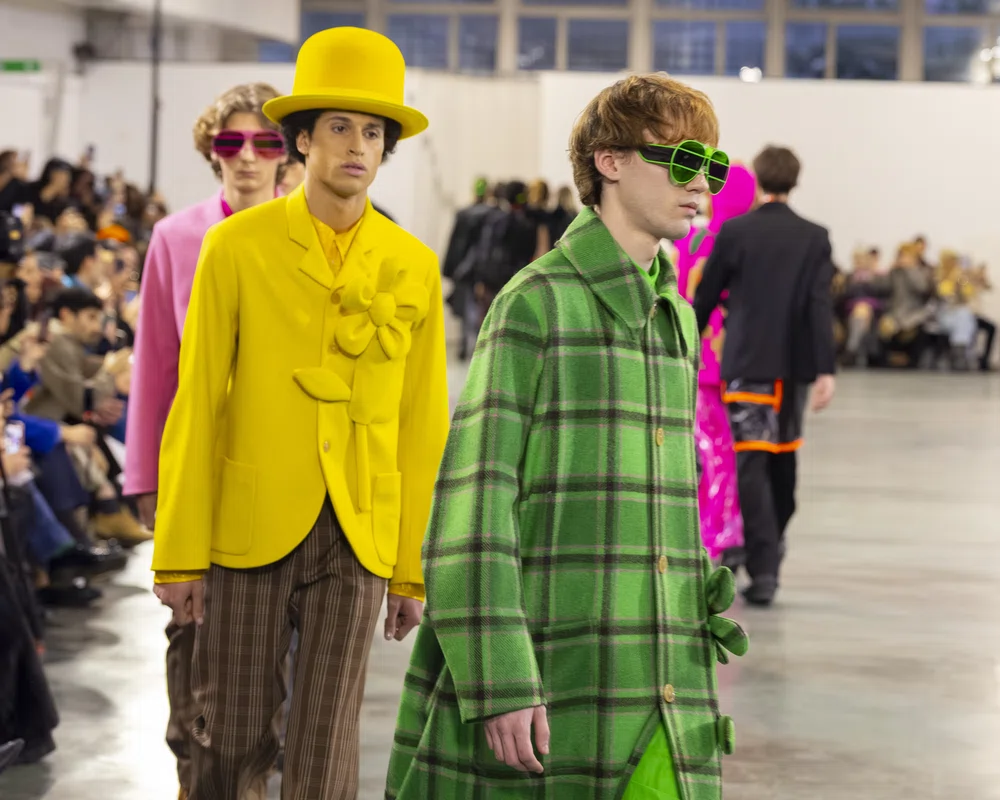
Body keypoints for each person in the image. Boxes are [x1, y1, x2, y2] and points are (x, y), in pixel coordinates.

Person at [387, 73, 747, 800]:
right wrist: (499, 677)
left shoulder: (676, 316)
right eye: (682, 161)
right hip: (554, 668)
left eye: (711, 166)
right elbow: (473, 507)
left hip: (662, 677)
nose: (700, 184)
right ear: (609, 161)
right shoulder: (536, 304)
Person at [150, 27, 449, 799]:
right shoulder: (236, 246)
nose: (357, 146)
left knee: (325, 748)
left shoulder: (413, 265)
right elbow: (197, 400)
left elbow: (421, 425)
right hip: (248, 523)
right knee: (229, 737)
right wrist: (178, 553)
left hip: (357, 532)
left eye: (373, 132)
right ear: (303, 140)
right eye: (339, 127)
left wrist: (410, 566)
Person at [121, 82, 286, 800]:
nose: (246, 156)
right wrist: (146, 479)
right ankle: (195, 778)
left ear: (288, 152)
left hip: (282, 474)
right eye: (230, 142)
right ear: (210, 150)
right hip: (200, 472)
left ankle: (251, 778)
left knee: (274, 651)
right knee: (191, 636)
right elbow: (157, 365)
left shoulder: (309, 236)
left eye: (265, 141)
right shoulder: (176, 237)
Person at [693, 145, 836, 606]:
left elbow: (707, 296)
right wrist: (825, 369)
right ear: (796, 180)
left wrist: (687, 344)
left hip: (747, 366)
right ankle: (768, 556)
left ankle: (764, 562)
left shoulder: (736, 232)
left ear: (758, 179)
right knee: (783, 463)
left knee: (751, 466)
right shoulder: (815, 236)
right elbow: (819, 306)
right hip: (793, 371)